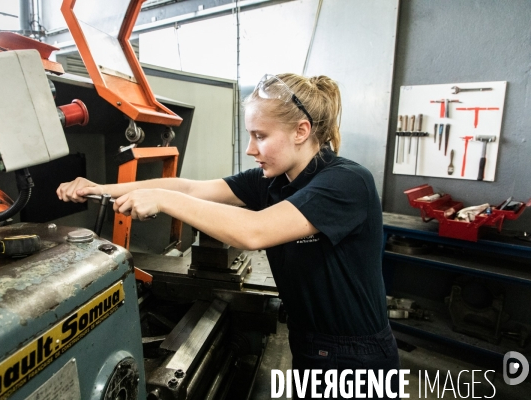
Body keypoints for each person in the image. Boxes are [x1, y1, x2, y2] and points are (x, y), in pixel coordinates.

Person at [57, 73, 400, 399]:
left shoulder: (347, 182)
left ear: (301, 130)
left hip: (356, 354)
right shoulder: (272, 181)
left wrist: (164, 201)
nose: (251, 148)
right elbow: (190, 187)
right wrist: (101, 188)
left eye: (261, 136)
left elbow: (255, 231)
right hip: (309, 341)